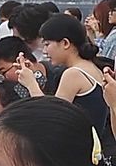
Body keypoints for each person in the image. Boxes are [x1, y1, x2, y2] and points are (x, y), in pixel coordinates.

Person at [30, 14, 116, 154]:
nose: (45, 51)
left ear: (65, 43)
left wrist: (31, 83)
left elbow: (51, 117)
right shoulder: (92, 66)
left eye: (47, 44)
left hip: (80, 156)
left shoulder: (74, 74)